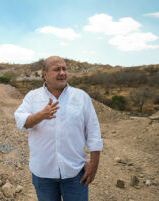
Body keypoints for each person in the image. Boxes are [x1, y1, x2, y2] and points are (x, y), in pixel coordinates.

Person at [14, 56, 103, 201]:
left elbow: (93, 132)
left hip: (75, 174)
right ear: (45, 75)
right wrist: (40, 115)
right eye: (57, 69)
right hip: (43, 174)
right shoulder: (32, 97)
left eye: (64, 69)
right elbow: (21, 122)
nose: (62, 73)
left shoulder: (81, 97)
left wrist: (94, 164)